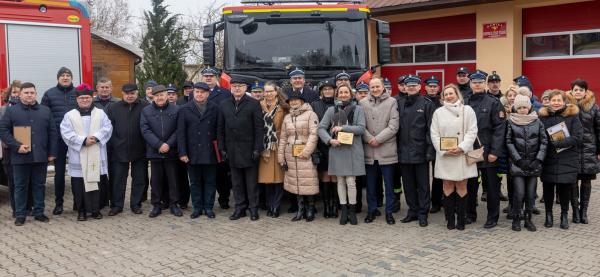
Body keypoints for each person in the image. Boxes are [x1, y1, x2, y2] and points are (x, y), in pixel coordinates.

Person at [0, 82, 57, 226]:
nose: (29, 95)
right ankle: (20, 214)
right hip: (20, 155)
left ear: (36, 94)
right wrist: (16, 146)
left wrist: (52, 152)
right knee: (20, 186)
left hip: (40, 155)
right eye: (26, 93)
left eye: (32, 92)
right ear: (20, 94)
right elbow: (3, 131)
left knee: (39, 185)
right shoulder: (11, 111)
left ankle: (39, 212)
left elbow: (52, 133)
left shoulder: (45, 111)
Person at [61, 84, 113, 221]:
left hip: (96, 152)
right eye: (82, 98)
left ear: (91, 98)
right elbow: (66, 133)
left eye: (87, 98)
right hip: (78, 155)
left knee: (97, 182)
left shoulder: (100, 113)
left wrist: (95, 138)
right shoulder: (69, 115)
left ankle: (96, 210)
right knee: (79, 185)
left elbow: (108, 128)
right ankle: (81, 211)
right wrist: (83, 140)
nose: (85, 100)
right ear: (77, 99)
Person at [430, 84, 478, 230]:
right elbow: (434, 134)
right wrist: (443, 150)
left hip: (462, 155)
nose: (449, 96)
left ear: (457, 95)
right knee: (448, 186)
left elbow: (472, 131)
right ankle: (450, 219)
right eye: (446, 94)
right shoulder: (438, 112)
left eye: (452, 93)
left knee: (462, 186)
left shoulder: (467, 110)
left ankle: (461, 220)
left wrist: (462, 147)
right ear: (443, 97)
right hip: (446, 156)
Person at [318, 83, 366, 225]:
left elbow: (361, 128)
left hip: (353, 149)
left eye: (346, 92)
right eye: (341, 93)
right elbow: (321, 128)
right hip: (337, 149)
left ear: (351, 94)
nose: (343, 95)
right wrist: (329, 140)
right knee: (340, 182)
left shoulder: (358, 110)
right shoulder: (331, 110)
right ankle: (343, 211)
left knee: (351, 182)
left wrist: (342, 127)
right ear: (337, 94)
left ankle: (352, 211)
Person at [464, 69, 506, 229]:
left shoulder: (494, 103)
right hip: (470, 151)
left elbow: (500, 129)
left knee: (491, 187)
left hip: (488, 151)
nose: (477, 84)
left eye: (480, 82)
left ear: (485, 84)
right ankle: (470, 214)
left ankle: (493, 216)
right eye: (474, 82)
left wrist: (495, 152)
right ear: (471, 83)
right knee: (471, 185)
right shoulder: (465, 101)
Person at [217, 77, 264, 221]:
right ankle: (240, 208)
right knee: (236, 182)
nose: (237, 88)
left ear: (245, 88)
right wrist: (222, 149)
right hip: (231, 150)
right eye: (234, 86)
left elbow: (259, 129)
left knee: (251, 183)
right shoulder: (224, 104)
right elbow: (220, 129)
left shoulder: (254, 104)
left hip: (249, 149)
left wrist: (257, 149)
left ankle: (253, 209)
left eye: (240, 86)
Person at [538, 89, 583, 229]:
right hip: (549, 158)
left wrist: (558, 143)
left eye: (559, 100)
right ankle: (549, 215)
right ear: (549, 102)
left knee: (564, 189)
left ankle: (564, 216)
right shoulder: (542, 117)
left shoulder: (573, 116)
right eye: (553, 100)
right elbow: (538, 136)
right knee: (548, 188)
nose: (556, 103)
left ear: (564, 102)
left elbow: (578, 137)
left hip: (567, 158)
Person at [104, 83, 150, 216]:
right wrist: (114, 143)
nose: (130, 96)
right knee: (118, 179)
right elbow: (108, 128)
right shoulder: (113, 107)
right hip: (119, 149)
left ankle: (136, 204)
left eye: (132, 93)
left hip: (140, 149)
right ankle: (117, 205)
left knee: (139, 179)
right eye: (127, 94)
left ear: (137, 93)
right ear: (122, 94)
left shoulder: (145, 107)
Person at [191, 66, 233, 210]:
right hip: (200, 141)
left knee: (222, 174)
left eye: (212, 76)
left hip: (217, 140)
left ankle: (223, 198)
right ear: (202, 78)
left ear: (217, 78)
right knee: (202, 176)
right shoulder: (194, 94)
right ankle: (202, 202)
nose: (208, 78)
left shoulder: (226, 93)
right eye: (206, 76)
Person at [396, 75, 435, 227]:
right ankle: (412, 211)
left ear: (419, 87)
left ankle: (423, 214)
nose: (411, 87)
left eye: (414, 85)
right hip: (403, 152)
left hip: (421, 152)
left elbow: (431, 129)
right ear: (404, 87)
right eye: (408, 85)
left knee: (424, 185)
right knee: (408, 185)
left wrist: (430, 150)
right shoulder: (399, 103)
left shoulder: (426, 104)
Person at [178, 82, 220, 219]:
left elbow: (219, 132)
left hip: (210, 152)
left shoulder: (216, 108)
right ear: (193, 93)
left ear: (208, 94)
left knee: (210, 182)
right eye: (197, 92)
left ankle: (208, 207)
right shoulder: (184, 109)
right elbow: (181, 133)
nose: (199, 95)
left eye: (203, 92)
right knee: (195, 182)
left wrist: (220, 152)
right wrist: (182, 152)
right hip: (192, 152)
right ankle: (197, 207)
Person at [505, 94, 548, 232]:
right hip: (517, 164)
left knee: (530, 193)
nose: (522, 110)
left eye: (524, 107)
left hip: (534, 163)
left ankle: (528, 219)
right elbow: (509, 142)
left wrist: (538, 159)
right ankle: (517, 217)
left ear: (529, 107)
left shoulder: (537, 121)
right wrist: (518, 160)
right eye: (519, 108)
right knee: (519, 193)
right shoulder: (511, 122)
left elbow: (544, 142)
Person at [360, 77, 399, 225]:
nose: (375, 89)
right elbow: (360, 125)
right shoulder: (362, 103)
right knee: (370, 185)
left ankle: (389, 212)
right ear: (369, 88)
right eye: (372, 87)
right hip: (369, 149)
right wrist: (370, 139)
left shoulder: (392, 102)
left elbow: (394, 125)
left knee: (388, 184)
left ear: (383, 87)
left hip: (386, 149)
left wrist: (378, 139)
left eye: (378, 86)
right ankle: (371, 210)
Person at [140, 85, 182, 218]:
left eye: (162, 95)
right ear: (152, 96)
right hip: (155, 151)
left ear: (166, 96)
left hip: (171, 151)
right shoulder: (146, 111)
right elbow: (145, 130)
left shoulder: (176, 109)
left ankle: (174, 204)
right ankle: (156, 205)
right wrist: (159, 145)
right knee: (156, 181)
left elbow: (179, 129)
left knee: (173, 180)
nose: (159, 98)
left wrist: (168, 144)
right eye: (156, 95)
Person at [278, 90, 320, 222]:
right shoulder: (287, 117)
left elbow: (314, 134)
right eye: (291, 100)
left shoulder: (311, 115)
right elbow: (283, 138)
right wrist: (281, 158)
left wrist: (307, 152)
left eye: (296, 100)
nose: (293, 102)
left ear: (302, 101)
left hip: (305, 154)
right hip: (291, 154)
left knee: (308, 181)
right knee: (296, 182)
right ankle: (300, 210)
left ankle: (310, 209)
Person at [41, 67, 77, 215]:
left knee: (77, 172)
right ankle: (59, 203)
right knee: (59, 172)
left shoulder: (78, 93)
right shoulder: (49, 94)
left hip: (76, 139)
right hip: (58, 139)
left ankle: (78, 201)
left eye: (68, 75)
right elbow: (43, 117)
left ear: (71, 78)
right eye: (62, 75)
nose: (65, 77)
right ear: (58, 78)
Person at [567, 79, 599, 225]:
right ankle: (575, 211)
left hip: (588, 150)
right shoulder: (566, 107)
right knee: (573, 180)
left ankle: (583, 211)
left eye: (581, 90)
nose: (578, 92)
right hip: (571, 150)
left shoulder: (594, 108)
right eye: (575, 90)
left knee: (586, 180)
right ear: (572, 91)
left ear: (586, 91)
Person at [0, 80, 33, 218]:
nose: (17, 95)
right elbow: (2, 132)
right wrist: (14, 146)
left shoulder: (28, 108)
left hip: (26, 149)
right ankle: (16, 209)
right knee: (13, 181)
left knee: (28, 179)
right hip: (10, 151)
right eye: (14, 92)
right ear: (9, 94)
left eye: (19, 92)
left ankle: (28, 207)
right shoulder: (3, 110)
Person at [258, 81, 289, 218]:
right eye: (266, 91)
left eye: (271, 91)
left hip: (279, 145)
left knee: (279, 179)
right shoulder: (258, 106)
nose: (269, 94)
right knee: (267, 180)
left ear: (276, 92)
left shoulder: (283, 106)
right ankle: (269, 204)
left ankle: (276, 206)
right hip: (264, 146)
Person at [311, 78, 338, 218]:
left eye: (330, 89)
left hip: (338, 145)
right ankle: (327, 205)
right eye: (325, 89)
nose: (327, 91)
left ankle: (335, 205)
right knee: (326, 174)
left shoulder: (339, 104)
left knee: (335, 175)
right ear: (321, 92)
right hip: (322, 145)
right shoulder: (315, 105)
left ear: (334, 91)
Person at [92, 77, 118, 209]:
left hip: (114, 145)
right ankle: (100, 201)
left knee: (114, 175)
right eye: (102, 87)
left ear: (111, 88)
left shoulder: (118, 103)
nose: (104, 89)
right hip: (97, 145)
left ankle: (114, 201)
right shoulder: (91, 103)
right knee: (98, 175)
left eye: (107, 87)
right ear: (97, 88)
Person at [166, 83, 190, 209]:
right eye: (168, 94)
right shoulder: (161, 108)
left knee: (181, 176)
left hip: (179, 147)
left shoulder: (182, 109)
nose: (170, 97)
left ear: (177, 96)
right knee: (167, 177)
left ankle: (183, 200)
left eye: (173, 94)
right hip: (165, 148)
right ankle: (167, 200)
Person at [423, 76, 444, 214]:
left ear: (438, 88)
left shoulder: (442, 102)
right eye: (430, 86)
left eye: (435, 86)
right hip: (424, 143)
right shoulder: (421, 100)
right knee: (424, 176)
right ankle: (424, 201)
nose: (432, 88)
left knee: (438, 175)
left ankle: (437, 202)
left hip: (439, 143)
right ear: (425, 87)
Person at [354, 80, 370, 212]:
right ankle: (357, 204)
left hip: (370, 145)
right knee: (356, 179)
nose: (363, 95)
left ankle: (374, 205)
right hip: (354, 147)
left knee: (371, 179)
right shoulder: (352, 106)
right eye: (360, 93)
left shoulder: (372, 105)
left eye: (366, 92)